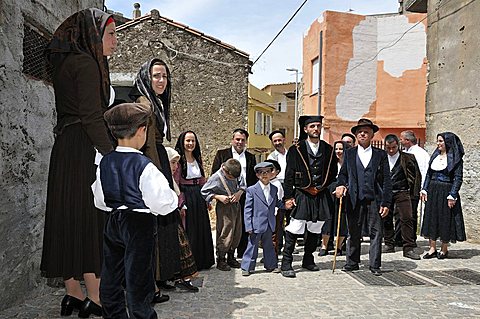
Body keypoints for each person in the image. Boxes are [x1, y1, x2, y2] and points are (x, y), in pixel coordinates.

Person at [40, 9, 116, 317]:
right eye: (110, 34)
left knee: (67, 218)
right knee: (88, 219)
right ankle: (95, 298)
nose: (115, 41)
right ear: (93, 35)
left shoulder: (66, 63)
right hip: (84, 147)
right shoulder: (86, 64)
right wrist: (112, 155)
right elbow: (92, 116)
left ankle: (72, 293)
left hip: (66, 147)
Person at [92, 102, 178, 319]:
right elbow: (163, 203)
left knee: (111, 275)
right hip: (139, 224)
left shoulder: (105, 161)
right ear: (142, 130)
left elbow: (100, 200)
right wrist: (173, 199)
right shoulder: (145, 165)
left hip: (114, 221)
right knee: (138, 279)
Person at [133, 59, 179, 292]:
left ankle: (159, 277)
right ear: (146, 77)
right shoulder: (145, 103)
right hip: (151, 158)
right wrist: (152, 173)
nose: (161, 81)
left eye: (165, 76)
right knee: (153, 220)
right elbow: (146, 141)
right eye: (156, 76)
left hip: (157, 156)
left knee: (161, 220)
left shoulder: (156, 102)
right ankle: (151, 283)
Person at [281, 115, 337, 278]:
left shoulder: (328, 149)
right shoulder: (296, 149)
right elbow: (289, 175)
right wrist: (288, 197)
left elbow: (332, 173)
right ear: (305, 129)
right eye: (312, 126)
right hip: (302, 193)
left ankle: (308, 259)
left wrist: (325, 187)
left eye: (318, 126)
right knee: (295, 227)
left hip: (320, 194)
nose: (316, 129)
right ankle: (286, 262)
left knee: (315, 227)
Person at [335, 118, 392, 276]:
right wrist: (340, 185)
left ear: (372, 134)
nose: (363, 134)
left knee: (376, 232)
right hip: (355, 198)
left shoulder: (380, 155)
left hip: (375, 199)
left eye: (366, 131)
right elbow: (343, 175)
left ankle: (374, 265)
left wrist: (386, 202)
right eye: (360, 132)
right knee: (354, 231)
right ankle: (352, 262)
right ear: (356, 135)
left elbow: (387, 180)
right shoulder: (350, 153)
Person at [211, 128, 257, 258]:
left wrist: (243, 193)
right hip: (226, 197)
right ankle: (222, 256)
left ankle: (238, 254)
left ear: (246, 142)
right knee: (225, 227)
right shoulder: (222, 154)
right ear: (232, 140)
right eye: (237, 139)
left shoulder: (250, 157)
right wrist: (219, 195)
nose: (240, 142)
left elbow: (252, 179)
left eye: (243, 140)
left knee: (241, 226)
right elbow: (215, 175)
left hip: (244, 196)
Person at [241, 162, 293, 276]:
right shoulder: (251, 190)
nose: (264, 174)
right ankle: (247, 267)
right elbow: (247, 209)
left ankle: (271, 265)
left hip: (269, 223)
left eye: (267, 172)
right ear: (257, 175)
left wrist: (285, 205)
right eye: (261, 172)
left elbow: (276, 203)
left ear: (271, 174)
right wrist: (248, 225)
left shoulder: (274, 189)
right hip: (256, 224)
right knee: (252, 246)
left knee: (269, 245)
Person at [421, 132, 466, 259]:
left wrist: (453, 194)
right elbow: (429, 174)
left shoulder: (455, 159)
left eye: (441, 141)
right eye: (437, 141)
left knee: (446, 219)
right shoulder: (435, 156)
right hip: (433, 190)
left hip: (446, 191)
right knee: (431, 217)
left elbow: (458, 178)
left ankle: (444, 249)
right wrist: (424, 189)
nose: (438, 144)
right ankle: (432, 248)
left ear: (448, 142)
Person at [175, 131, 215, 270]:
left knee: (201, 228)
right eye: (188, 141)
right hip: (186, 195)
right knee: (190, 230)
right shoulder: (179, 161)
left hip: (198, 195)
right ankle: (191, 263)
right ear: (182, 142)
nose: (190, 144)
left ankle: (203, 260)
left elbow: (203, 180)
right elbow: (176, 182)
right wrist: (181, 203)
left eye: (193, 141)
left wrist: (207, 198)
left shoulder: (197, 158)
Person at [164, 147, 199, 292]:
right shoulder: (163, 180)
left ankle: (181, 278)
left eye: (177, 163)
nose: (176, 167)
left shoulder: (170, 179)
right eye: (172, 163)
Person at [202, 159, 245, 271]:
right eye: (231, 178)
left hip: (236, 205)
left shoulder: (236, 173)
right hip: (224, 207)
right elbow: (204, 191)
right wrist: (217, 197)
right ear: (225, 170)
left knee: (237, 231)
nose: (233, 179)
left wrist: (239, 193)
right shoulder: (216, 178)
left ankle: (231, 255)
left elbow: (242, 184)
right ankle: (221, 258)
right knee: (226, 232)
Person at [382, 134, 421, 260]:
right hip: (386, 192)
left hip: (403, 190)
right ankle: (389, 243)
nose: (391, 150)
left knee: (407, 218)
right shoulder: (381, 158)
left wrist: (415, 194)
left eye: (393, 147)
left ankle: (408, 247)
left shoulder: (408, 158)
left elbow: (416, 176)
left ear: (398, 145)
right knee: (386, 217)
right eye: (388, 148)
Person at [318, 141, 349, 256]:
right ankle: (324, 246)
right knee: (328, 218)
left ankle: (339, 246)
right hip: (329, 191)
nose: (338, 151)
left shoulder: (348, 163)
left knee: (341, 218)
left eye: (341, 149)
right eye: (336, 149)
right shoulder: (330, 163)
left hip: (345, 191)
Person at [400, 130, 430, 242]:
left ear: (407, 140)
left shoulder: (420, 154)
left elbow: (424, 172)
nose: (400, 141)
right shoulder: (405, 151)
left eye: (401, 139)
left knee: (411, 214)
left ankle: (411, 238)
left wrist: (423, 189)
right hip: (404, 189)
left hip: (414, 189)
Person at [267, 131, 289, 252]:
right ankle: (277, 246)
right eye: (275, 141)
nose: (277, 143)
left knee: (290, 218)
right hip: (276, 185)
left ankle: (289, 245)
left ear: (284, 140)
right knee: (278, 219)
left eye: (279, 140)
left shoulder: (291, 154)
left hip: (290, 187)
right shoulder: (271, 157)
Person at [264, 159, 285, 255]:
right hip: (266, 213)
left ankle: (274, 254)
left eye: (271, 170)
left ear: (277, 172)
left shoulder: (277, 185)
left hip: (275, 213)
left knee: (275, 234)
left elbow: (278, 201)